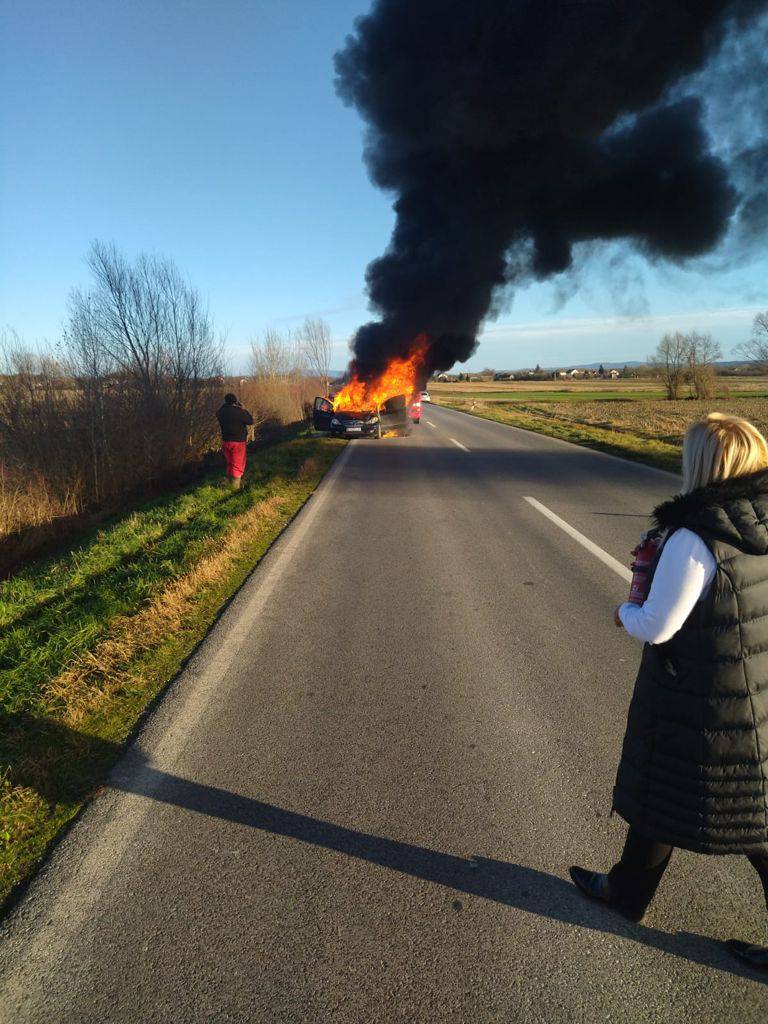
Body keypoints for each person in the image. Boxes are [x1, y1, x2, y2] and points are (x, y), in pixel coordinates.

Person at [570, 413, 768, 973]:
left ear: (702, 464)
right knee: (714, 801)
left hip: (704, 694)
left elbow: (658, 624)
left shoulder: (696, 535)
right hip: (754, 687)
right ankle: (628, 891)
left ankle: (627, 895)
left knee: (741, 815)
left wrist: (623, 611)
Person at [216, 393, 254, 489]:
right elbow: (250, 421)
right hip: (238, 442)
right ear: (236, 401)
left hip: (225, 441)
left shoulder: (221, 412)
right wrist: (244, 409)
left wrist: (225, 405)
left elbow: (219, 411)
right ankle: (235, 487)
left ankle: (230, 483)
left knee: (230, 463)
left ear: (225, 402)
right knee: (237, 464)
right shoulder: (239, 412)